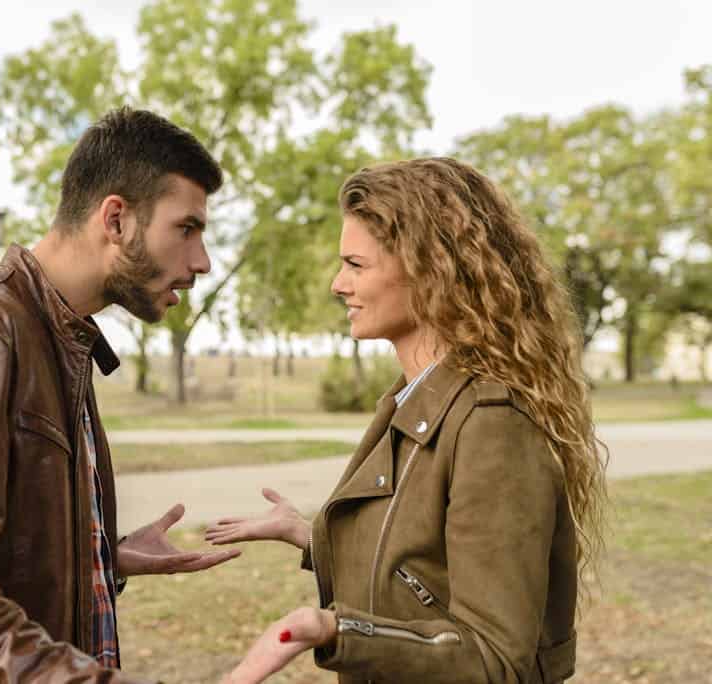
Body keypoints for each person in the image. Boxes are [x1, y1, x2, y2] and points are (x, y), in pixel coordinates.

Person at [0, 107, 240, 683]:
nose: (201, 262)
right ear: (116, 219)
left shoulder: (59, 340)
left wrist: (101, 558)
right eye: (187, 228)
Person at [211, 158, 607, 684]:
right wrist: (312, 537)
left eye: (356, 264)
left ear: (430, 269)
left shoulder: (493, 424)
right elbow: (421, 567)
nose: (337, 284)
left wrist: (336, 631)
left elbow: (494, 659)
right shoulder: (412, 400)